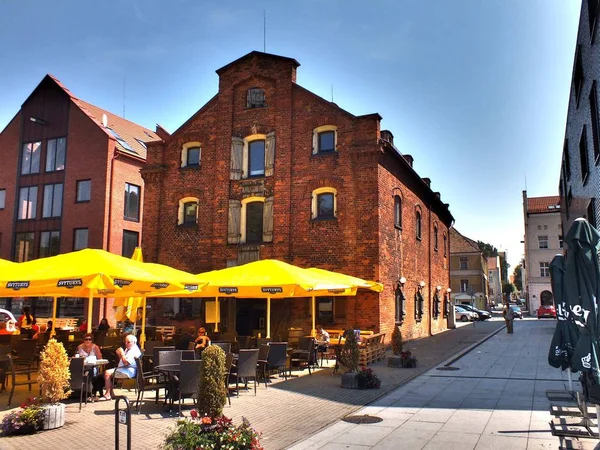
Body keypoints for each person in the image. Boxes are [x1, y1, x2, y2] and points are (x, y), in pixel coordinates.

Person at [100, 334, 141, 401]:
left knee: (107, 373)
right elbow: (122, 361)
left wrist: (121, 353)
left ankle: (108, 394)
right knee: (107, 372)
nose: (126, 343)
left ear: (134, 342)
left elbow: (126, 363)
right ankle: (111, 393)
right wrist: (119, 354)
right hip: (125, 369)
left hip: (128, 371)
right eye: (125, 341)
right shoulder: (129, 349)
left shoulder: (133, 351)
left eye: (128, 342)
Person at [77, 333, 104, 398]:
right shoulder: (79, 347)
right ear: (84, 340)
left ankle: (89, 391)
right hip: (83, 366)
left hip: (93, 366)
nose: (88, 341)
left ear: (92, 340)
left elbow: (100, 358)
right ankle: (82, 391)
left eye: (89, 339)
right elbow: (76, 357)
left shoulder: (95, 347)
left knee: (92, 372)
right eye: (86, 339)